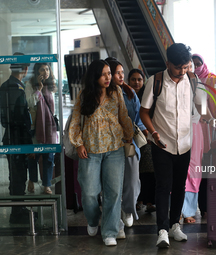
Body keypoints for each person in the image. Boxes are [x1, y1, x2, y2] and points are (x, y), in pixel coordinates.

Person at [140, 43, 205, 248]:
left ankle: (175, 225)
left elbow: (201, 109)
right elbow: (144, 111)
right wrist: (154, 132)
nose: (183, 71)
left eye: (186, 67)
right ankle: (162, 230)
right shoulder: (155, 81)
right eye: (179, 68)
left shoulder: (193, 81)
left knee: (179, 186)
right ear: (168, 63)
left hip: (185, 143)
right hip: (162, 143)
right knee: (163, 186)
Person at [69, 59, 134, 246]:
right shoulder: (83, 95)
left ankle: (109, 232)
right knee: (89, 192)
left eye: (109, 73)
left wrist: (129, 135)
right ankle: (92, 219)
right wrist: (78, 144)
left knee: (113, 193)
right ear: (95, 76)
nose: (108, 77)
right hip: (90, 151)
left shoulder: (116, 93)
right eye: (104, 74)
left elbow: (123, 115)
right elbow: (74, 122)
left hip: (115, 148)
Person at [105, 59, 146, 234]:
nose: (121, 76)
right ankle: (114, 216)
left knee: (132, 181)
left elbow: (138, 120)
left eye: (122, 72)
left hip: (128, 144)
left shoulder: (130, 93)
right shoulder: (102, 94)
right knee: (112, 184)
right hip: (108, 145)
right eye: (117, 72)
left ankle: (128, 209)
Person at [0, 52, 37, 224]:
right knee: (18, 175)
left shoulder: (6, 86)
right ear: (25, 68)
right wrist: (28, 143)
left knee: (16, 175)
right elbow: (20, 119)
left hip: (12, 138)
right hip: (17, 139)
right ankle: (18, 212)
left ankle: (19, 208)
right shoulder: (16, 88)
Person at [192, 53, 216, 219]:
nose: (197, 66)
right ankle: (202, 206)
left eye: (199, 63)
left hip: (213, 130)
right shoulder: (187, 81)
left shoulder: (214, 81)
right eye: (194, 64)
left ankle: (211, 205)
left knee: (212, 169)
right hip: (195, 131)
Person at [25, 62, 57, 194]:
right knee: (34, 156)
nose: (45, 72)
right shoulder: (30, 85)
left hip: (49, 128)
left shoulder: (51, 86)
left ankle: (46, 185)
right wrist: (38, 89)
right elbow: (29, 103)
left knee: (49, 157)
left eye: (47, 69)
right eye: (42, 69)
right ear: (37, 72)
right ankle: (32, 179)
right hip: (35, 127)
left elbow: (52, 110)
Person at [128, 68, 156, 213]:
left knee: (149, 170)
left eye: (139, 79)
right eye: (133, 79)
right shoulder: (125, 96)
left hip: (146, 137)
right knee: (135, 171)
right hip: (131, 138)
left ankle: (150, 200)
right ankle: (137, 200)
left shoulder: (148, 94)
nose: (137, 82)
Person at [181, 59, 204, 224]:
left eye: (190, 67)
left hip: (194, 128)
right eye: (184, 67)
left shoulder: (198, 82)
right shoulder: (171, 83)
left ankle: (188, 210)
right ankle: (177, 209)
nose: (187, 70)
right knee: (179, 168)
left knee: (194, 169)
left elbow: (203, 109)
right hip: (176, 129)